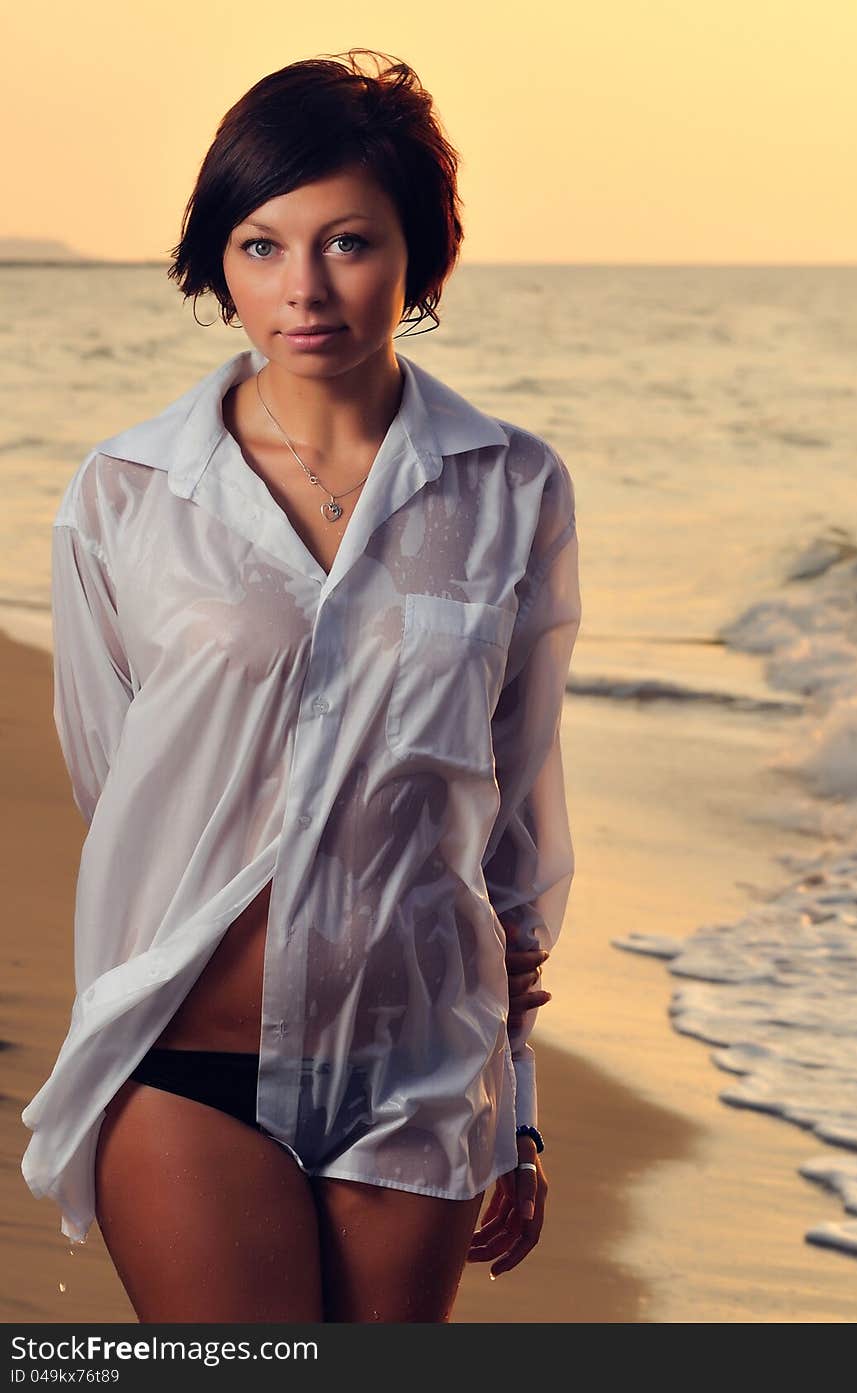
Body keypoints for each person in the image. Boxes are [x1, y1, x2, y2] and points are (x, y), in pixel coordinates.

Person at [20, 48, 581, 1323]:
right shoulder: (129, 494)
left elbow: (514, 816)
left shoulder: (511, 486)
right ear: (217, 260)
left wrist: (518, 1109)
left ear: (421, 254)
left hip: (418, 1069)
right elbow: (124, 784)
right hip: (182, 1060)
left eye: (348, 242)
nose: (303, 288)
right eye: (261, 245)